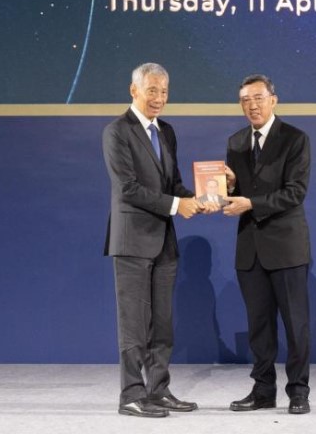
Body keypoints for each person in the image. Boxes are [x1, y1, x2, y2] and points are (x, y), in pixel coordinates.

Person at [102, 62, 215, 417]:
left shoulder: (166, 131)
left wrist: (201, 197)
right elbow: (128, 189)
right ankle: (131, 395)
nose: (159, 98)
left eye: (164, 91)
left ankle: (158, 390)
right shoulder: (117, 131)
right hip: (132, 241)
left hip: (164, 241)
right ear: (133, 90)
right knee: (134, 323)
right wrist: (175, 204)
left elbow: (173, 184)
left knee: (163, 322)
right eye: (152, 90)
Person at [222, 74, 313, 415]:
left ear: (273, 99)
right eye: (245, 100)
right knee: (259, 327)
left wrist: (251, 204)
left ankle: (299, 392)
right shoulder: (235, 142)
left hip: (287, 248)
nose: (252, 105)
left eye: (258, 98)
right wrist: (229, 187)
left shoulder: (295, 139)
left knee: (296, 325)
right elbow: (236, 196)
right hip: (250, 249)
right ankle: (263, 391)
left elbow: (295, 192)